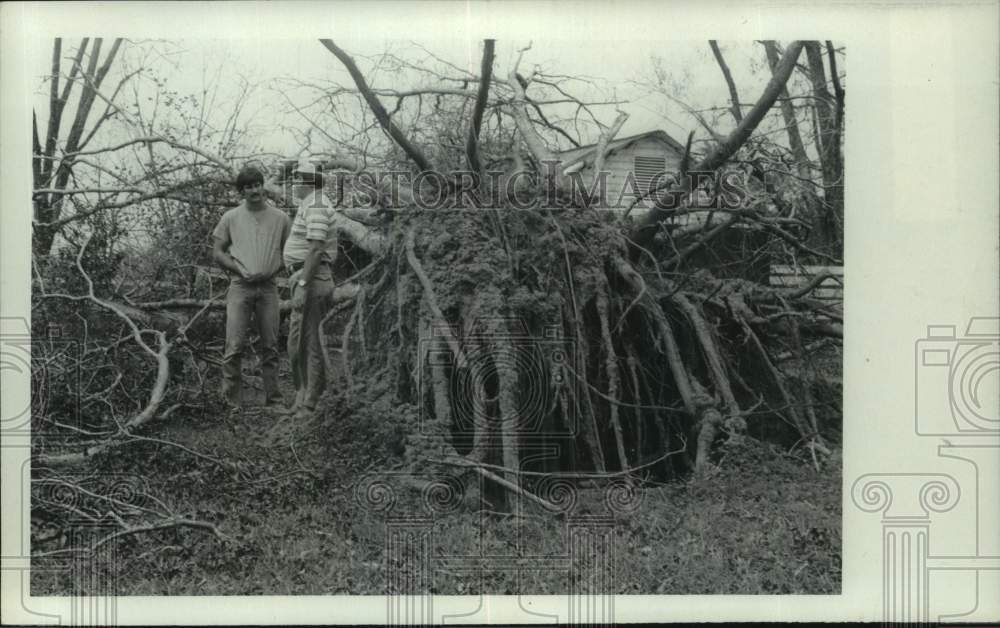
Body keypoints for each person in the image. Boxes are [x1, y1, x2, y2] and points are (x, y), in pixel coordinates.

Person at [212, 166, 291, 410]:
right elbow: (217, 252)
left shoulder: (281, 218)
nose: (254, 190)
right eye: (248, 187)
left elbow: (291, 253)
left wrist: (274, 269)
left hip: (268, 288)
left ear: (263, 186)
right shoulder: (230, 218)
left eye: (257, 184)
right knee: (234, 346)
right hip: (240, 286)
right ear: (242, 191)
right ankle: (230, 402)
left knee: (270, 346)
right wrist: (239, 270)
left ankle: (274, 401)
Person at [282, 160, 339, 419]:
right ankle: (303, 395)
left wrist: (304, 284)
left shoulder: (316, 206)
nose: (294, 184)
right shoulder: (309, 205)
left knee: (309, 343)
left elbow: (316, 249)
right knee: (297, 344)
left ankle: (310, 404)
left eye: (297, 179)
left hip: (313, 278)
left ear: (308, 183)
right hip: (303, 277)